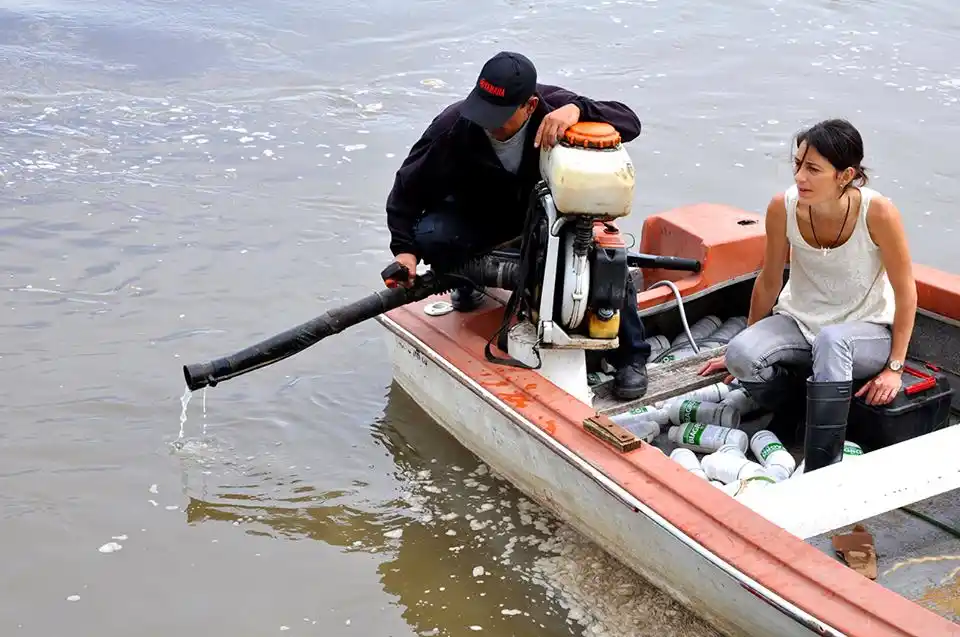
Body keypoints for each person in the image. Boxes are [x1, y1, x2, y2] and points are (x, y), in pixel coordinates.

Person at [383, 51, 652, 399]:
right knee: (431, 235)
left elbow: (629, 121)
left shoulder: (556, 107)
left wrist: (580, 110)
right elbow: (406, 190)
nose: (488, 123)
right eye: (483, 111)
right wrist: (405, 253)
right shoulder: (454, 127)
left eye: (500, 116)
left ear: (530, 106)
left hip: (541, 219)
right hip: (478, 217)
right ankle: (467, 279)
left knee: (606, 258)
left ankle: (632, 356)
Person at [698, 118, 917, 472]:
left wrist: (895, 367)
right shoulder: (782, 207)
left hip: (865, 331)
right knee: (741, 354)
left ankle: (821, 465)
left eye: (813, 169)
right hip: (799, 322)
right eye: (798, 164)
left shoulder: (878, 213)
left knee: (833, 341)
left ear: (845, 175)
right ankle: (793, 410)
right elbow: (769, 280)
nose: (800, 177)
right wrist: (747, 338)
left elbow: (906, 292)